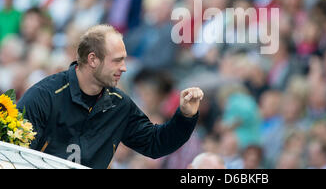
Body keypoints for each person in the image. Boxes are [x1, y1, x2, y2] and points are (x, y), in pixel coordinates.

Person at [17, 24, 204, 169]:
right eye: (117, 60)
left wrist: (185, 116)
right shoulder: (44, 96)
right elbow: (14, 154)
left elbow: (155, 144)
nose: (124, 67)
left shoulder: (119, 105)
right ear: (92, 60)